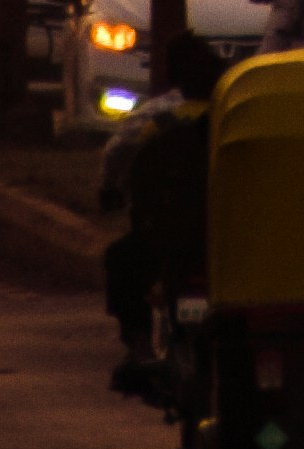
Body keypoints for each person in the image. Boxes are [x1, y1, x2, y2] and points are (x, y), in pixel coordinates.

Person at [96, 33, 224, 395]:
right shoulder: (236, 112)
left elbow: (116, 153)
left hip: (165, 236)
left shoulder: (158, 119)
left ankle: (139, 346)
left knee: (120, 261)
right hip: (231, 236)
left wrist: (108, 192)